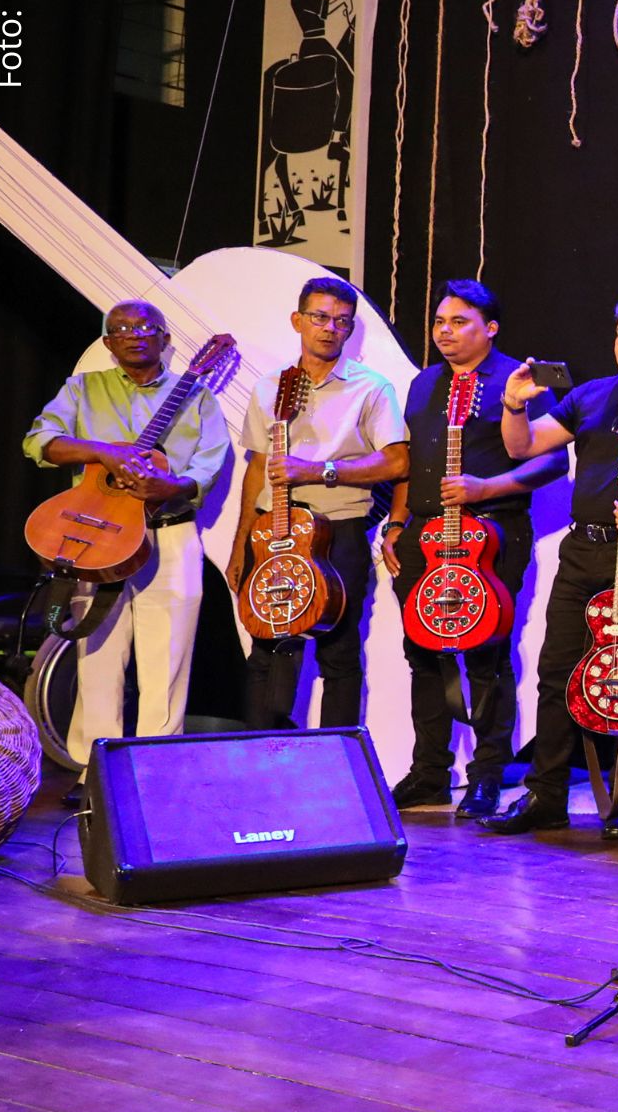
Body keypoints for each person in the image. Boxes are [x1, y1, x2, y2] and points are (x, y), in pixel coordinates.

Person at [487, 291, 618, 837]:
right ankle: (546, 792)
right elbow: (523, 447)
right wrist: (513, 405)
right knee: (558, 669)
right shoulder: (595, 394)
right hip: (584, 549)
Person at [381, 281, 566, 818]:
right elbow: (410, 460)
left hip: (492, 530)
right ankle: (429, 774)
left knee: (486, 651)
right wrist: (396, 525)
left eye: (460, 322)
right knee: (422, 650)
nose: (445, 332)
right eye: (440, 321)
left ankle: (486, 774)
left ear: (491, 327)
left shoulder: (521, 378)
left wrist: (489, 488)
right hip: (422, 530)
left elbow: (551, 461)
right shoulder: (424, 382)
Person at [23, 301, 230, 774]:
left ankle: (157, 771)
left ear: (164, 339)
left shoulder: (195, 396)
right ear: (108, 343)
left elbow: (208, 464)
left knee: (168, 660)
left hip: (169, 536)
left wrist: (171, 486)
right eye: (121, 329)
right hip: (94, 540)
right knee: (96, 657)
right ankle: (95, 773)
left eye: (145, 327)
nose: (134, 334)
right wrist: (105, 453)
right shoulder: (83, 388)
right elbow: (39, 440)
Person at [229, 277, 407, 730]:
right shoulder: (269, 387)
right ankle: (260, 754)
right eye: (320, 317)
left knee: (339, 650)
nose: (329, 328)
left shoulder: (371, 389)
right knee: (265, 645)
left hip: (338, 530)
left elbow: (397, 460)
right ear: (298, 321)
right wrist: (239, 545)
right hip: (273, 529)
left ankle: (339, 766)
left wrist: (319, 471)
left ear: (350, 330)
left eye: (341, 321)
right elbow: (257, 467)